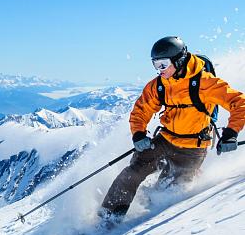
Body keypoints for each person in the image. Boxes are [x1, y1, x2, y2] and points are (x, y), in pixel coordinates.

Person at [99, 36, 245, 225]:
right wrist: (139, 133)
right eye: (155, 65)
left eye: (163, 64)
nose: (160, 70)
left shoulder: (205, 83)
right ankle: (107, 221)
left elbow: (239, 103)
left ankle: (139, 223)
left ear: (179, 60)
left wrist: (230, 134)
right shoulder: (159, 85)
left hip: (192, 149)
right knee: (132, 173)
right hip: (165, 140)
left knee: (165, 192)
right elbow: (140, 111)